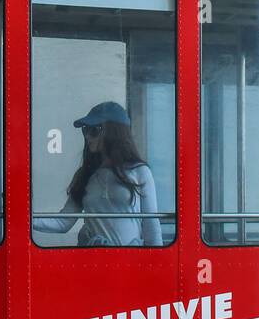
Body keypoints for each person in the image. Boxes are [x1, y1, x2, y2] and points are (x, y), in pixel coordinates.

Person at [33, 101, 163, 246]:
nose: (87, 136)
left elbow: (151, 225)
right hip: (93, 260)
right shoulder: (85, 175)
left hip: (131, 261)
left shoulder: (139, 171)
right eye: (85, 130)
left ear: (114, 132)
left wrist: (158, 264)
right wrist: (23, 217)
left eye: (93, 130)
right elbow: (63, 222)